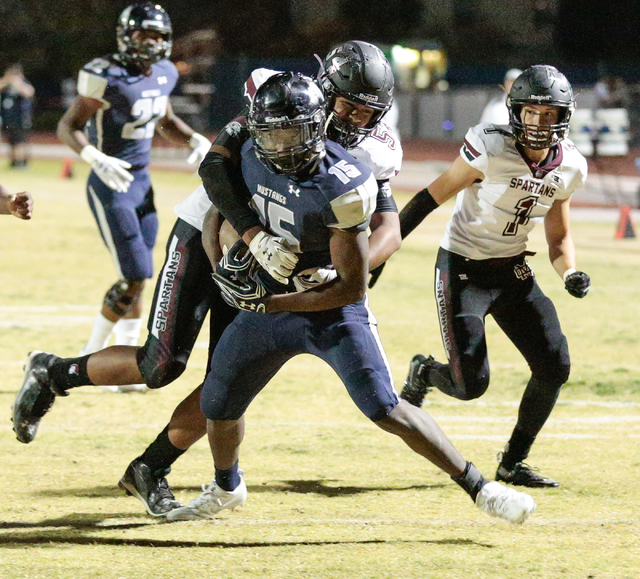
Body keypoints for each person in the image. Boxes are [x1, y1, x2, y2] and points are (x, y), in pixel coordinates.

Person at [12, 41, 403, 518]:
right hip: (208, 230)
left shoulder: (378, 146)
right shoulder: (279, 96)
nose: (355, 120)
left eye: (368, 112)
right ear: (325, 89)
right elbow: (215, 168)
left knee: (228, 380)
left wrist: (342, 270)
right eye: (347, 105)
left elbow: (388, 229)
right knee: (160, 366)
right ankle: (55, 372)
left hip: (275, 262)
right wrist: (253, 234)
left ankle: (151, 467)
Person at [165, 72, 536, 525]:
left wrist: (272, 302)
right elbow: (216, 209)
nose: (281, 145)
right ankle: (226, 487)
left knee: (383, 406)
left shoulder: (344, 182)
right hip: (271, 300)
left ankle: (481, 488)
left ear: (316, 125)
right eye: (273, 134)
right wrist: (224, 261)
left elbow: (351, 287)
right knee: (218, 404)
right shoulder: (249, 152)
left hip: (329, 308)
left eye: (291, 134)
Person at [397, 65, 590, 488]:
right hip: (462, 268)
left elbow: (559, 237)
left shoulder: (571, 165)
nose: (538, 122)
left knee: (554, 364)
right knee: (470, 386)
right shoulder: (489, 147)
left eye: (548, 112)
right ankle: (424, 372)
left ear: (564, 116)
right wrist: (380, 251)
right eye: (530, 111)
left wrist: (570, 272)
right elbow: (430, 196)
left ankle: (512, 462)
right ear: (515, 111)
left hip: (513, 271)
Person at [56, 3, 212, 386]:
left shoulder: (164, 72)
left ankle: (125, 370)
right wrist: (92, 155)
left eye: (158, 35)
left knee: (139, 278)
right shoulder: (103, 74)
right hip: (111, 184)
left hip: (142, 184)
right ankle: (89, 358)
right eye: (144, 34)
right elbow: (68, 125)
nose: (152, 42)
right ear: (126, 36)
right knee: (136, 274)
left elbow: (163, 120)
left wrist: (192, 137)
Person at [0, 64, 34, 168]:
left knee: (21, 142)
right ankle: (14, 161)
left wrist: (17, 82)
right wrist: (6, 80)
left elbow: (29, 92)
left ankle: (21, 162)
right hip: (8, 119)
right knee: (11, 142)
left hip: (21, 119)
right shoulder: (6, 87)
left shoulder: (24, 84)